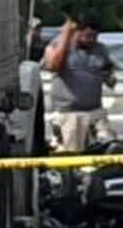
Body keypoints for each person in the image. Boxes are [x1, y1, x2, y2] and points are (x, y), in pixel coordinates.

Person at [41, 16, 116, 153]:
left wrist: (109, 77)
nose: (91, 40)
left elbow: (109, 72)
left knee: (109, 145)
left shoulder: (100, 49)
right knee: (75, 152)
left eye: (94, 36)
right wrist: (66, 35)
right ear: (77, 32)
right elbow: (53, 66)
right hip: (70, 113)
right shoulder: (60, 45)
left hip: (95, 110)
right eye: (88, 36)